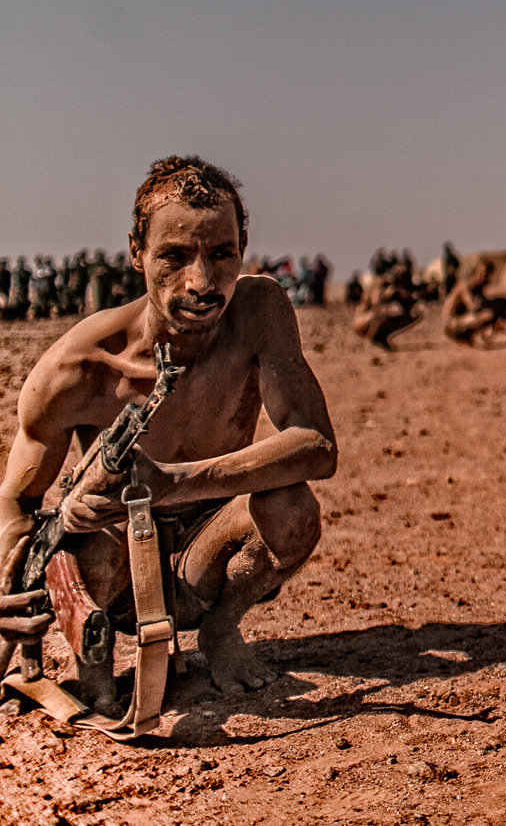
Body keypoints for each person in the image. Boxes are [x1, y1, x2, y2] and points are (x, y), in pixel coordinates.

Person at [0, 156, 336, 708]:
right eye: (175, 258)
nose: (202, 283)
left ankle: (221, 630)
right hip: (112, 566)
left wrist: (174, 482)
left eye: (221, 254)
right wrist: (13, 592)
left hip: (211, 549)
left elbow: (317, 446)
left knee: (291, 508)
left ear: (243, 246)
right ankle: (97, 670)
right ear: (137, 253)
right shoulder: (77, 368)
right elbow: (16, 500)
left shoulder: (258, 312)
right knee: (76, 537)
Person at [352, 256, 420, 350]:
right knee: (385, 314)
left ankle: (380, 337)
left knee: (408, 314)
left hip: (363, 320)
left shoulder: (382, 282)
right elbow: (376, 304)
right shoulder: (381, 282)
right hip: (364, 320)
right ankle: (375, 337)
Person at [442, 259, 501, 346]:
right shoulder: (464, 287)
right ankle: (463, 336)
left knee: (491, 312)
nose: (484, 278)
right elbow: (472, 307)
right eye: (482, 274)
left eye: (486, 275)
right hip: (451, 323)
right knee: (488, 314)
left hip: (459, 320)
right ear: (475, 273)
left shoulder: (476, 289)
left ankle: (466, 337)